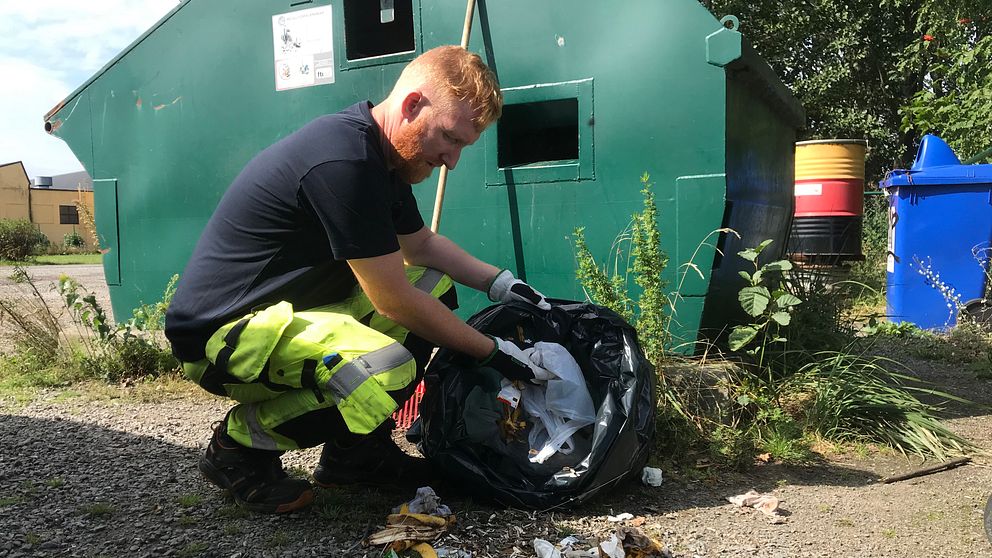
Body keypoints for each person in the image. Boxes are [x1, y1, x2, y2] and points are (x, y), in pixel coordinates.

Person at [164, 45, 554, 514]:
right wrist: (495, 354)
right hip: (222, 338)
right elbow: (393, 301)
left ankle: (354, 455)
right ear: (412, 105)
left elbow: (422, 248)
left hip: (287, 317)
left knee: (433, 283)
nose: (452, 160)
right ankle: (238, 448)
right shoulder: (343, 161)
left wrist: (503, 284)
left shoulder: (386, 161)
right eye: (449, 139)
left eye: (462, 147)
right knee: (386, 366)